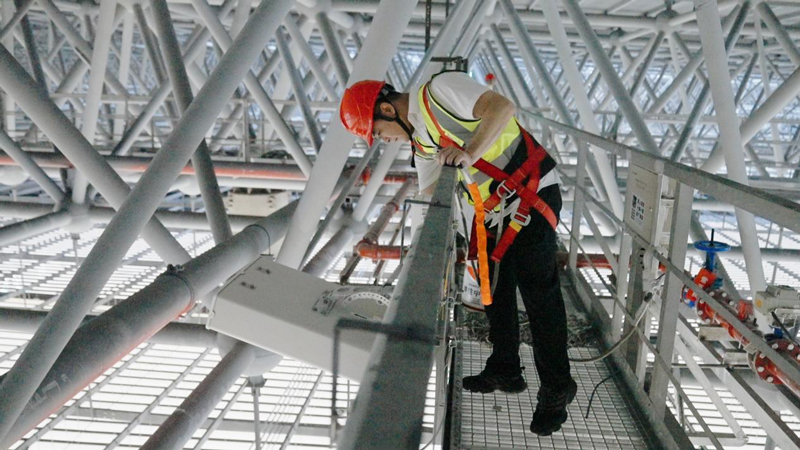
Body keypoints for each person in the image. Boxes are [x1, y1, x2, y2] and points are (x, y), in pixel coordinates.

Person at [339, 71, 576, 436]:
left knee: (537, 292)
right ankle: (506, 368)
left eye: (379, 132)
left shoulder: (440, 91)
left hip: (532, 193)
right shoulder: (422, 143)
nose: (384, 140)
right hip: (496, 213)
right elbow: (432, 190)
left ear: (387, 109)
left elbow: (501, 108)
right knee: (494, 289)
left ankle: (558, 388)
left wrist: (469, 152)